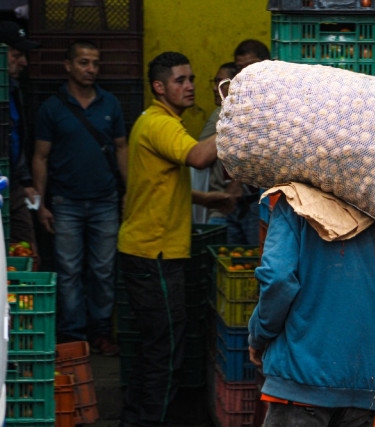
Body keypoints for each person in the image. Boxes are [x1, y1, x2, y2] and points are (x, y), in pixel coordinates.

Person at [117, 51, 230, 427]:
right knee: (164, 352)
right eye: (180, 80)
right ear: (159, 87)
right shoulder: (161, 124)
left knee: (155, 350)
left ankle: (137, 419)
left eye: (192, 79)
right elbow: (199, 157)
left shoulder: (154, 122)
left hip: (149, 251)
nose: (190, 86)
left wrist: (205, 198)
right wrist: (236, 121)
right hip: (155, 256)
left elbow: (156, 185)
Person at [248, 197, 375, 426]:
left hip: (301, 381)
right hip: (363, 384)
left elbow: (278, 281)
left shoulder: (293, 204)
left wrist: (258, 335)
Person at [32, 39, 127, 355]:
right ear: (68, 65)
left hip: (105, 201)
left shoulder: (110, 104)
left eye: (96, 63)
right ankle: (73, 336)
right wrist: (42, 204)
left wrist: (130, 192)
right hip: (66, 203)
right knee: (69, 271)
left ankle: (100, 332)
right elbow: (40, 157)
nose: (91, 69)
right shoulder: (52, 108)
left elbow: (122, 148)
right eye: (84, 62)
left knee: (103, 270)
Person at [225, 39, 271, 244]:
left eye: (249, 67)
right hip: (238, 202)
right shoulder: (239, 102)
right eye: (239, 69)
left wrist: (236, 181)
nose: (244, 74)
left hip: (259, 201)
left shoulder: (270, 102)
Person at [0, 21, 40, 247]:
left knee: (26, 251)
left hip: (12, 184)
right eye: (17, 55)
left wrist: (24, 181)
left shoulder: (14, 89)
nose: (24, 62)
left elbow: (16, 138)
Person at [191, 61, 238, 225]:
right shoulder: (221, 114)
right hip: (224, 201)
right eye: (215, 82)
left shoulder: (221, 113)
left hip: (224, 204)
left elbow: (198, 157)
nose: (214, 88)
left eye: (221, 83)